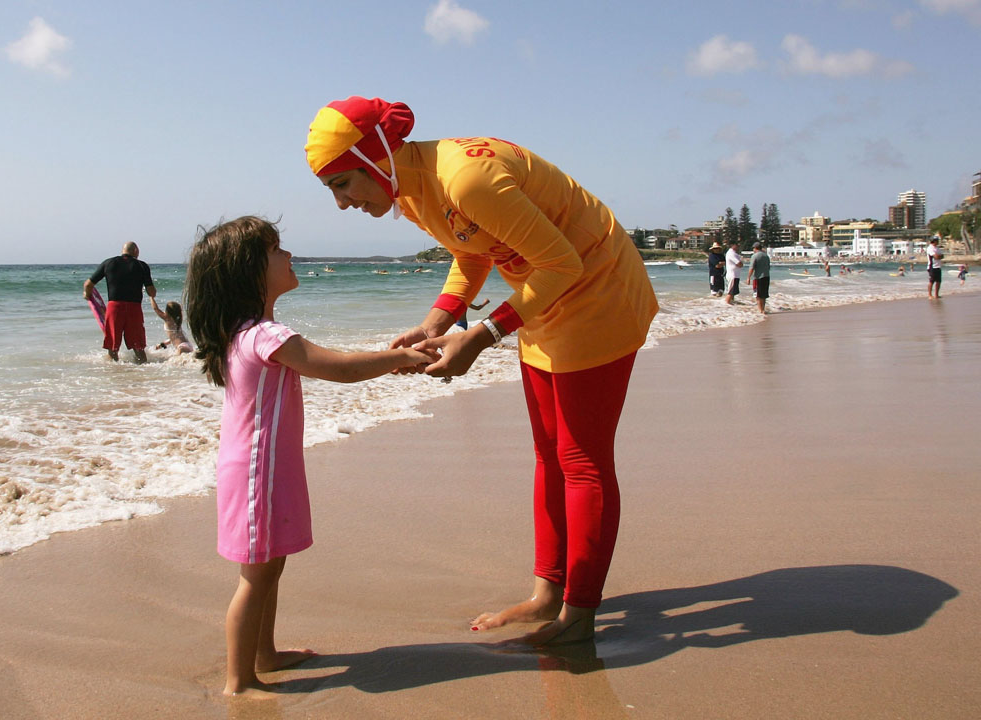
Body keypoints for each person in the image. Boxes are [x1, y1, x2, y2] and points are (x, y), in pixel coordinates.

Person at [305, 96, 658, 645]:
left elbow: (563, 262)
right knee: (548, 455)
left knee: (581, 460)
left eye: (343, 185)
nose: (342, 203)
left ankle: (578, 616)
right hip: (546, 299)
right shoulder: (415, 186)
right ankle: (548, 595)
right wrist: (436, 322)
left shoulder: (465, 177)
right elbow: (473, 251)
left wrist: (484, 334)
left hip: (598, 292)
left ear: (376, 158)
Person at [184, 216, 438, 696]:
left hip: (264, 471)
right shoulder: (264, 336)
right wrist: (400, 358)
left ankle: (265, 654)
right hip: (258, 474)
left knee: (270, 565)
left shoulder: (249, 332)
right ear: (249, 271)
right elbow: (337, 369)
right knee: (256, 576)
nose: (289, 255)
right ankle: (239, 681)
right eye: (277, 250)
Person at [83, 242, 156, 363]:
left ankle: (115, 374)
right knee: (138, 346)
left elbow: (88, 284)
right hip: (134, 309)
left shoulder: (108, 263)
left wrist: (87, 295)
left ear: (123, 250)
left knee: (113, 346)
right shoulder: (142, 266)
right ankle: (142, 371)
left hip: (114, 307)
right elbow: (151, 292)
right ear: (136, 251)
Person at [746, 241, 771, 314]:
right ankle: (763, 309)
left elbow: (751, 268)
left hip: (758, 277)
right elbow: (768, 267)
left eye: (753, 248)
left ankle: (760, 310)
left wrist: (748, 277)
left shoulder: (755, 256)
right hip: (766, 276)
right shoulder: (766, 256)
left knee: (758, 295)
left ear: (755, 248)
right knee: (764, 295)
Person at [724, 240, 743, 305]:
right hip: (733, 275)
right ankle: (727, 304)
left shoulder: (734, 253)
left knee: (733, 292)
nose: (738, 246)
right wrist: (741, 263)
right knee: (731, 292)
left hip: (735, 275)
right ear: (733, 245)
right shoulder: (731, 253)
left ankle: (731, 305)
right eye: (737, 245)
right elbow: (739, 264)